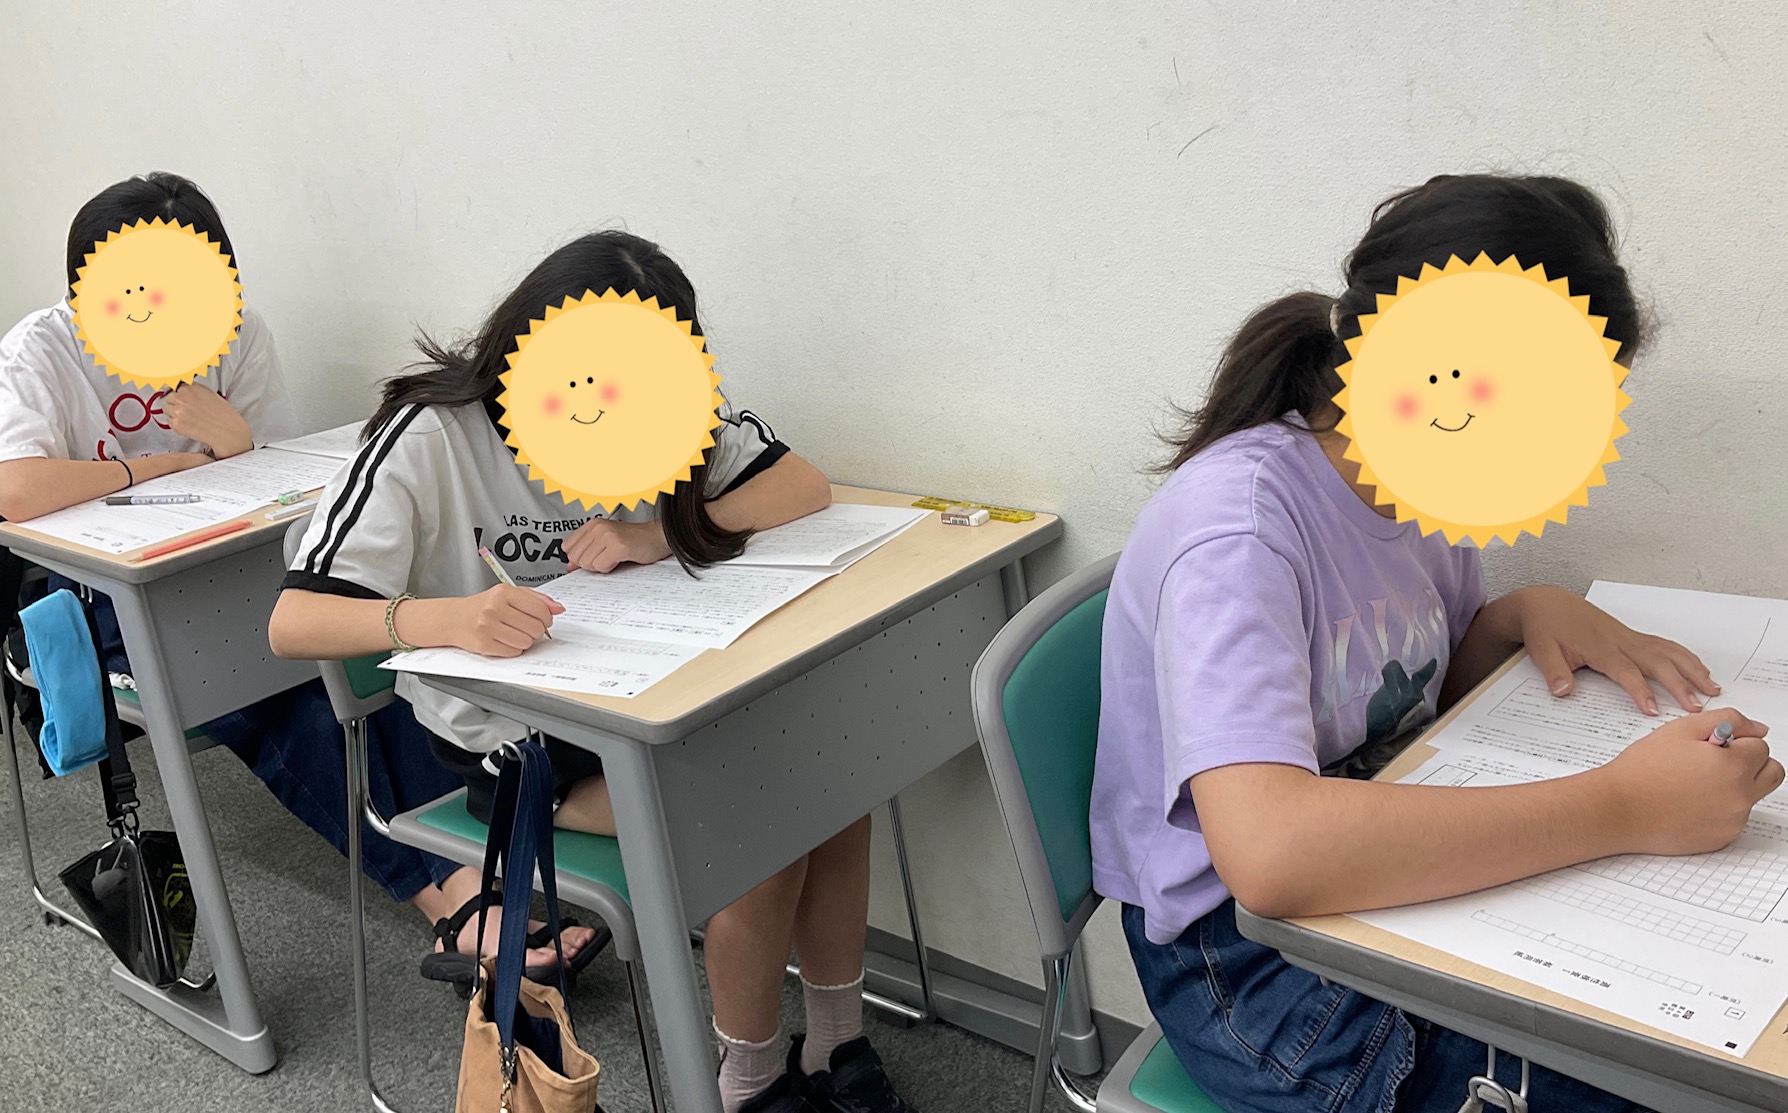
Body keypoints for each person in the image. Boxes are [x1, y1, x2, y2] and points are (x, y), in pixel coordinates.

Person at [1089, 173, 1782, 1112]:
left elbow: (1415, 697)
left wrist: (1514, 616)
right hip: (1248, 965)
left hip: (1368, 885)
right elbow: (1270, 853)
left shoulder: (1423, 485)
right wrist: (1624, 805)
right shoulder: (1239, 533)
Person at [269, 229, 918, 1113]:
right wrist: (445, 618)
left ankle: (835, 1044)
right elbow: (293, 620)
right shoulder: (433, 434)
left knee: (836, 785)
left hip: (650, 698)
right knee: (765, 817)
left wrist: (658, 535)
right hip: (514, 746)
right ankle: (750, 1081)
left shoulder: (663, 411)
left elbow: (802, 486)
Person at [0, 172, 495, 964]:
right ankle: (458, 900)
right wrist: (161, 465)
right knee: (274, 689)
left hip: (238, 573)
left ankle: (476, 877)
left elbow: (289, 482)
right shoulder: (41, 347)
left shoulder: (237, 333)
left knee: (368, 662)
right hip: (111, 601)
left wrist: (237, 444)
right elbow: (15, 490)